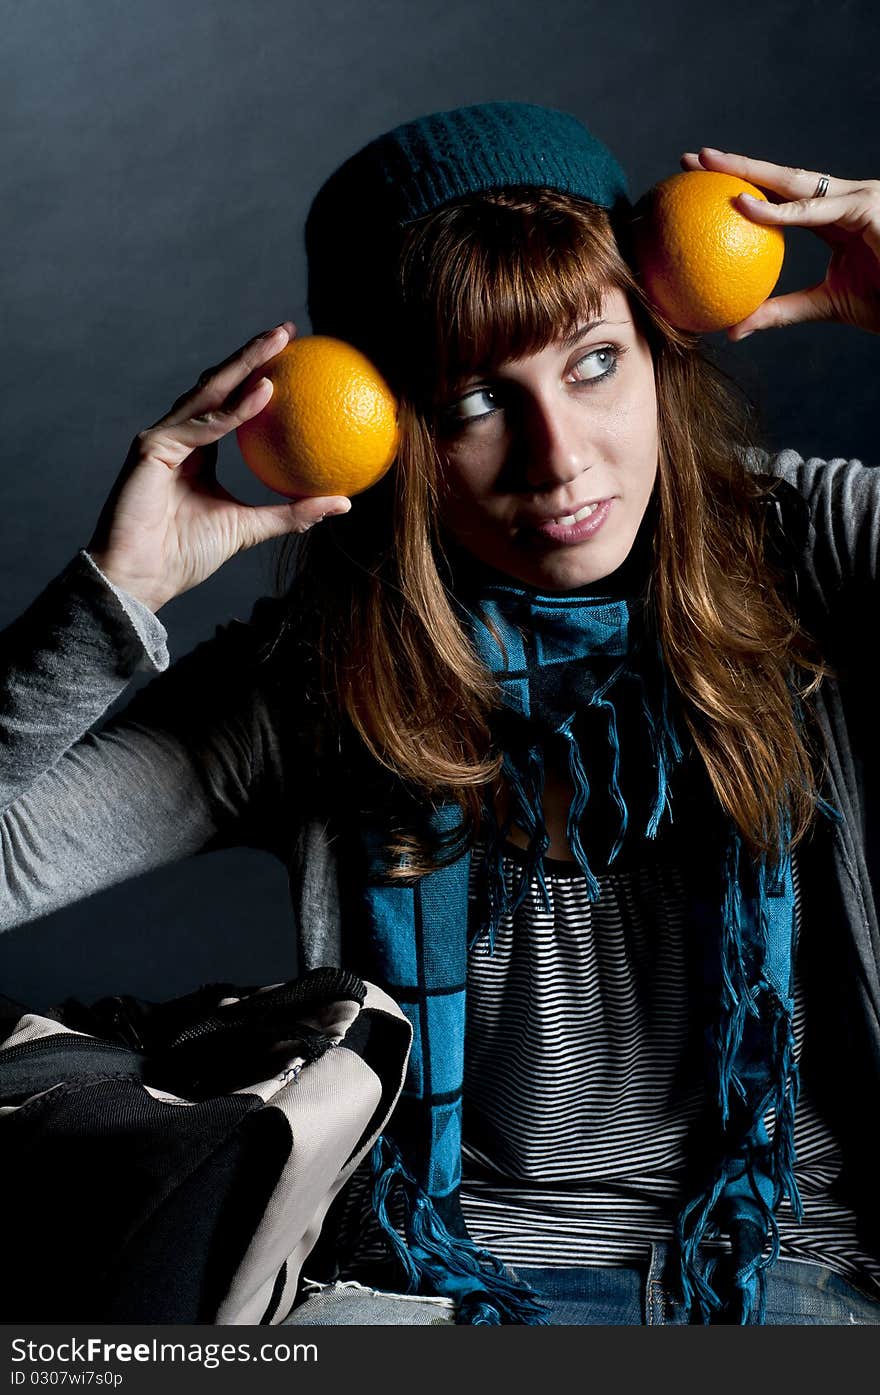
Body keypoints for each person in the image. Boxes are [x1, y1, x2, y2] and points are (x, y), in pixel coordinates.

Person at [1, 102, 879, 1326]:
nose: (557, 456)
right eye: (473, 401)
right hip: (435, 1284)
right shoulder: (321, 676)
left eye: (591, 362)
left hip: (787, 1267)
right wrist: (115, 595)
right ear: (385, 439)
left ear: (660, 350)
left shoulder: (813, 553)